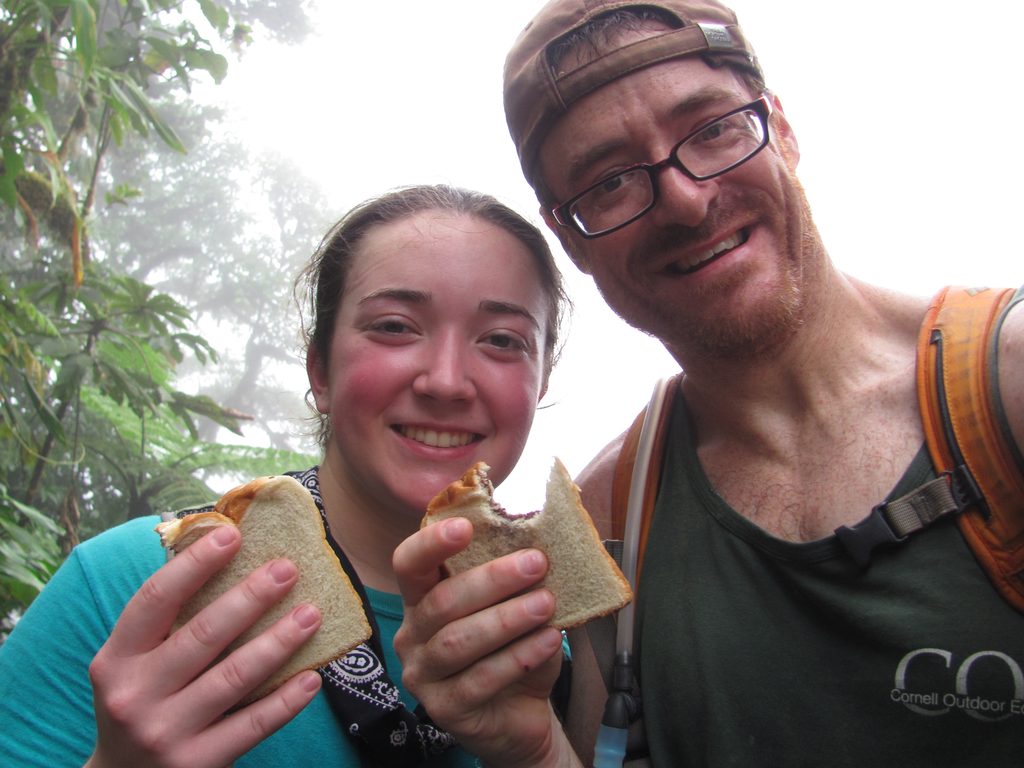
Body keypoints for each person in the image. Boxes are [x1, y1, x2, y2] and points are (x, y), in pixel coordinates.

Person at [392, 2, 1024, 767]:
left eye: (713, 129)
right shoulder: (615, 511)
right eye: (612, 181)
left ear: (781, 128)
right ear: (570, 237)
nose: (688, 201)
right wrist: (530, 750)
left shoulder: (1003, 389)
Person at [0, 183, 570, 767]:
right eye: (396, 326)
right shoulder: (127, 588)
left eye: (502, 340)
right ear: (320, 371)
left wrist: (542, 755)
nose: (447, 381)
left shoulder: (545, 645)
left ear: (540, 385)